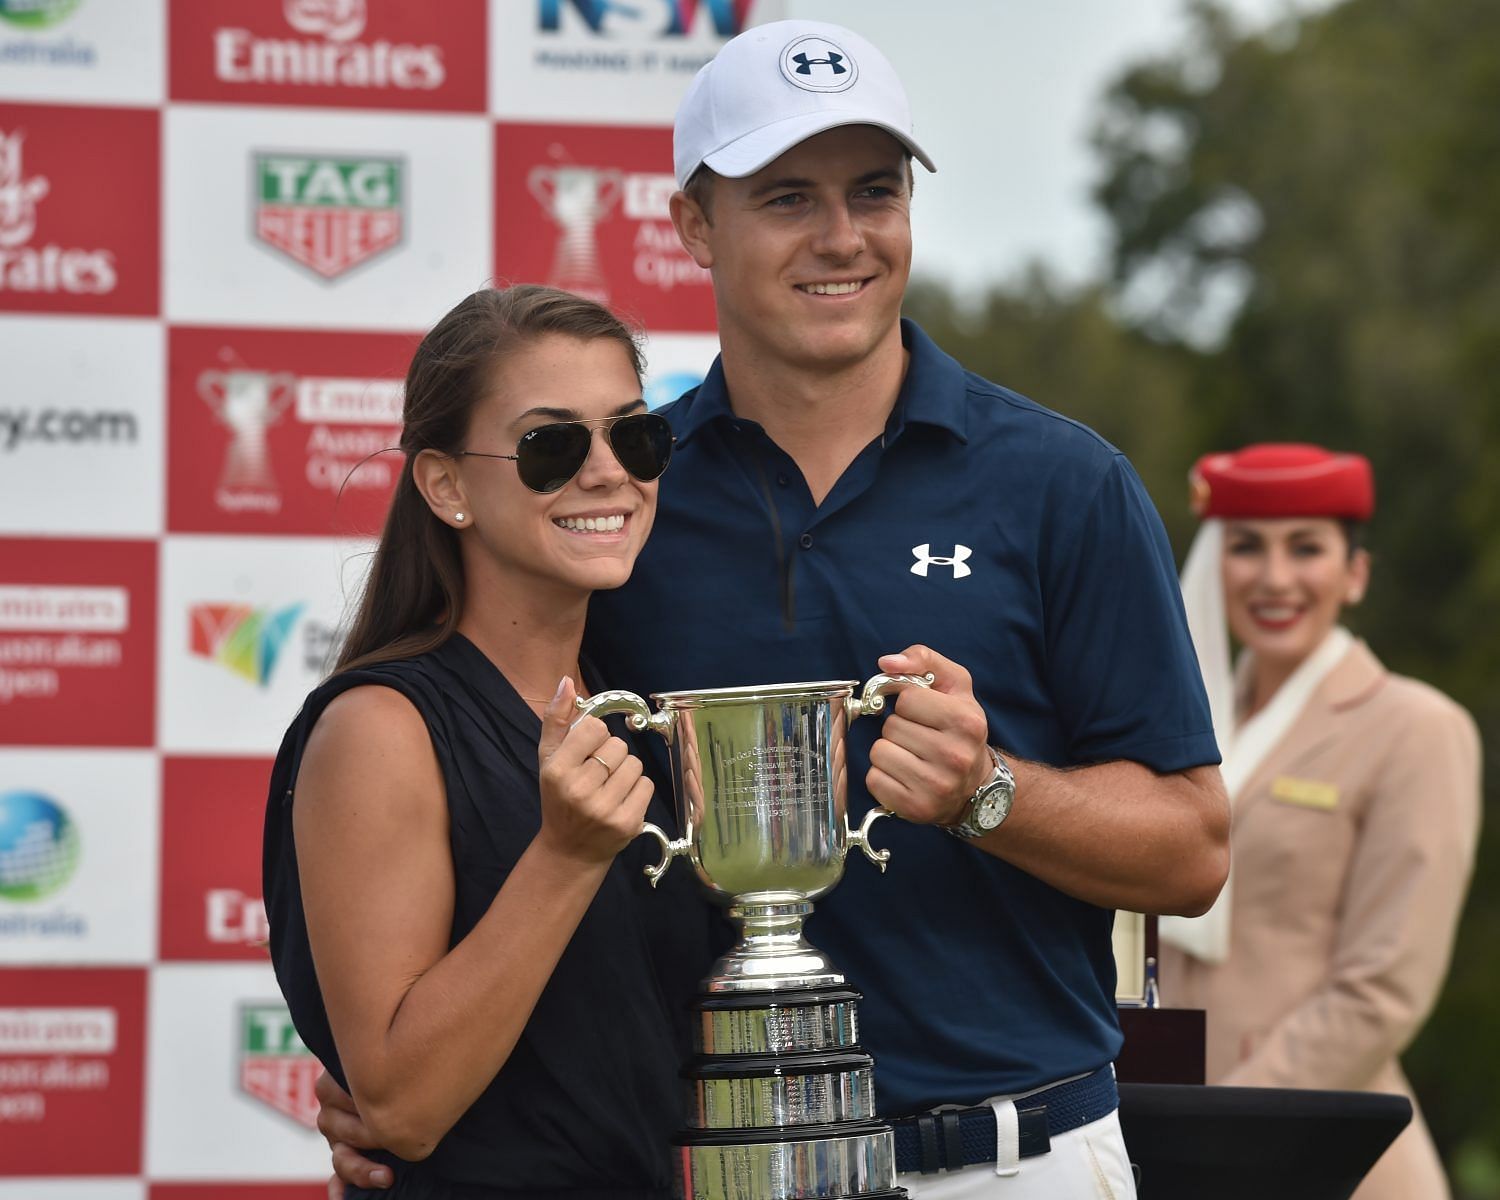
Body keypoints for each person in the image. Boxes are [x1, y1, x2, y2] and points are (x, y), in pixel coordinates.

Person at [320, 21, 1231, 1198]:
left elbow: (1196, 850)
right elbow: (490, 789)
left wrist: (987, 792)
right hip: (718, 1165)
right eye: (789, 197)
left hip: (1017, 1158)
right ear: (695, 224)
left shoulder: (1064, 483)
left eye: (875, 191)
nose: (842, 236)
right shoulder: (621, 500)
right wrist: (406, 1094)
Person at [263, 284, 709, 1197]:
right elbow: (399, 1107)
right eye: (552, 445)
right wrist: (564, 856)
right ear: (445, 485)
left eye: (635, 434)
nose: (607, 473)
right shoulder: (379, 727)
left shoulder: (642, 713)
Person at [1158, 443, 1482, 1200]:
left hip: (1319, 1153)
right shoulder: (1187, 729)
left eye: (1306, 548)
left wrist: (1224, 1134)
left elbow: (1383, 991)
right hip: (1174, 1138)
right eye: (1247, 547)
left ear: (1355, 574)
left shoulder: (1417, 729)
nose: (1274, 578)